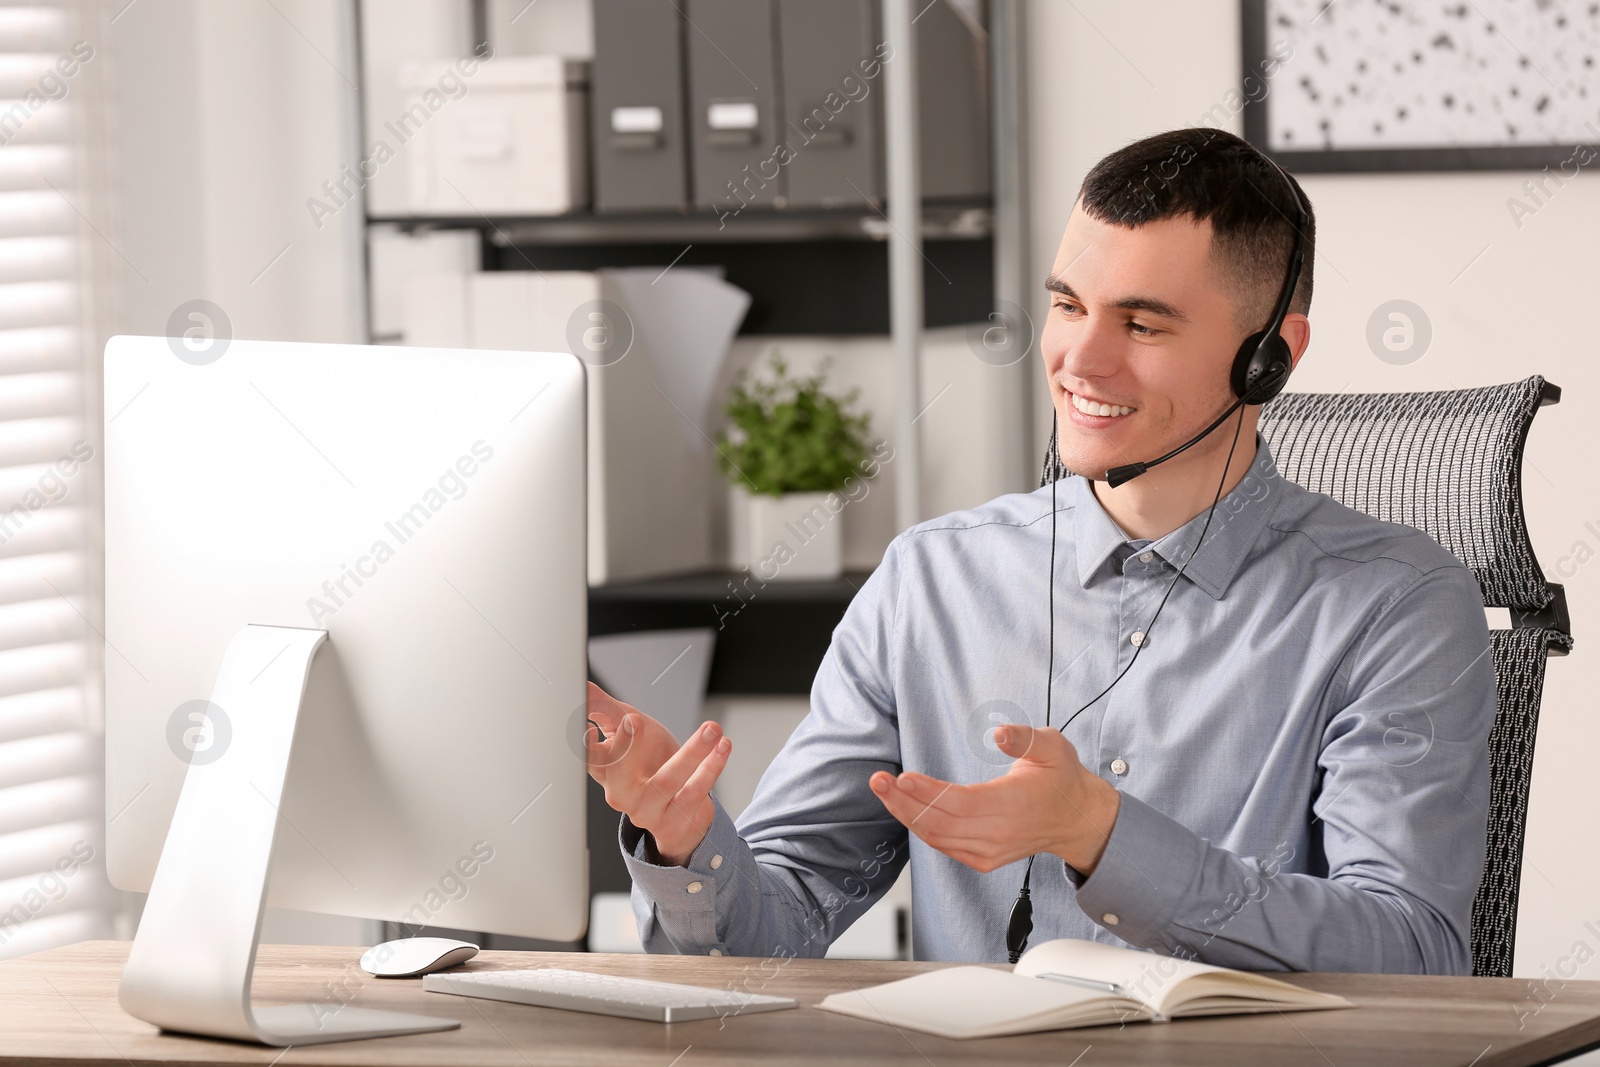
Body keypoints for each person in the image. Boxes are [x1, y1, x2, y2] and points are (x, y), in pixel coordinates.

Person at [584, 127, 1495, 974]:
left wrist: (1104, 834)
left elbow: (1412, 954)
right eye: (1067, 305)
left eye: (1142, 325)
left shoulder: (1397, 605)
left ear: (1269, 358)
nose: (1079, 361)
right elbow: (777, 931)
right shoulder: (930, 582)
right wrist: (686, 840)